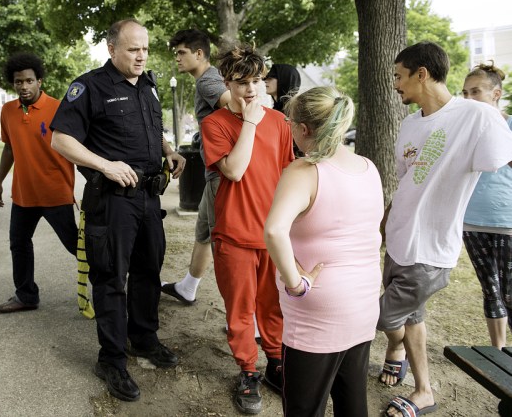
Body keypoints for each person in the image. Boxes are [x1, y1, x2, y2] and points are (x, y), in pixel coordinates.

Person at [50, 19, 186, 402]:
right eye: (132, 49)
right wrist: (104, 164)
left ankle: (143, 338)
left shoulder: (148, 84)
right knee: (111, 278)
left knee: (149, 269)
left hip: (148, 197)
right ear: (112, 49)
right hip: (111, 201)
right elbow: (61, 140)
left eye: (145, 48)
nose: (141, 55)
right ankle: (111, 358)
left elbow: (151, 127)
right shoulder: (90, 86)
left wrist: (169, 152)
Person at [379, 42, 512, 417]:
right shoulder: (408, 123)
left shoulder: (476, 116)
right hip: (400, 239)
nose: (395, 85)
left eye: (398, 77)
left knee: (378, 317)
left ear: (422, 74)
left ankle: (393, 349)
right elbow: (406, 183)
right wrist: (384, 224)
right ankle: (424, 391)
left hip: (431, 247)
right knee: (412, 317)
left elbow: (506, 158)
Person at [264, 86, 383, 416]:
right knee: (352, 401)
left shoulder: (305, 171)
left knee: (304, 407)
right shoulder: (368, 167)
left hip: (318, 310)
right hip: (362, 303)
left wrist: (294, 283)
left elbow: (274, 230)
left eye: (290, 122)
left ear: (303, 130)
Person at [201, 44, 294, 414]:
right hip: (234, 235)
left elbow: (288, 175)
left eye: (257, 81)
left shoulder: (281, 124)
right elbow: (235, 170)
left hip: (273, 235)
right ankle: (247, 370)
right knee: (240, 311)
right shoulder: (215, 124)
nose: (251, 90)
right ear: (227, 82)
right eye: (241, 83)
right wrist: (251, 123)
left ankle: (275, 361)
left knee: (274, 307)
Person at [0, 51, 78, 313]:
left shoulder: (59, 108)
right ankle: (26, 296)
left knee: (76, 244)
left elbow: (76, 147)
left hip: (55, 192)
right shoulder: (8, 111)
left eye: (29, 81)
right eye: (19, 82)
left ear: (40, 81)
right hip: (23, 194)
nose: (24, 86)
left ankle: (111, 285)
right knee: (19, 243)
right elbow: (9, 149)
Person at [161, 29, 230, 305]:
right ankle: (188, 287)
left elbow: (238, 107)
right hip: (215, 172)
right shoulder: (208, 79)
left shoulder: (207, 83)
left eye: (181, 53)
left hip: (222, 173)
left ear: (199, 54)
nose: (177, 58)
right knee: (204, 230)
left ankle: (246, 315)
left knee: (223, 243)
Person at [461, 62, 512, 349]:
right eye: (465, 93)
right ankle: (499, 353)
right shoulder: (466, 131)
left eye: (475, 91)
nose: (468, 98)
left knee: (510, 294)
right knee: (491, 290)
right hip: (471, 221)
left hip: (508, 223)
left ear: (496, 93)